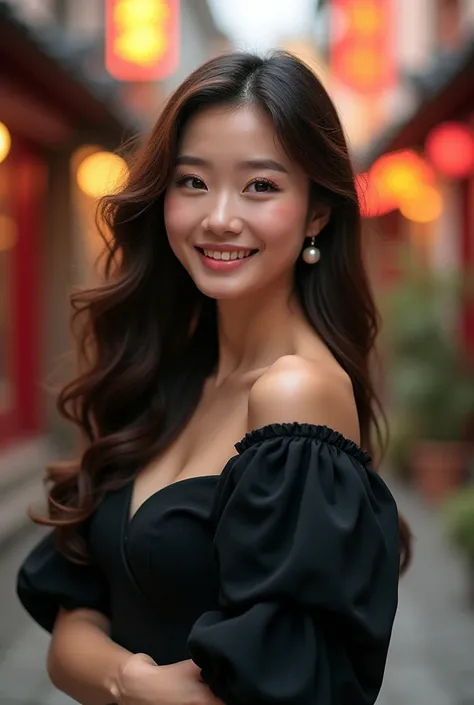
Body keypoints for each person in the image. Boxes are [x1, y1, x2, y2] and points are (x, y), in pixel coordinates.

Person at [17, 51, 410, 705]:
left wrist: (108, 668)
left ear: (317, 212)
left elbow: (285, 684)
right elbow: (69, 626)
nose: (219, 216)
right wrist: (135, 680)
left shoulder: (297, 395)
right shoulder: (165, 376)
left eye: (260, 186)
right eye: (192, 181)